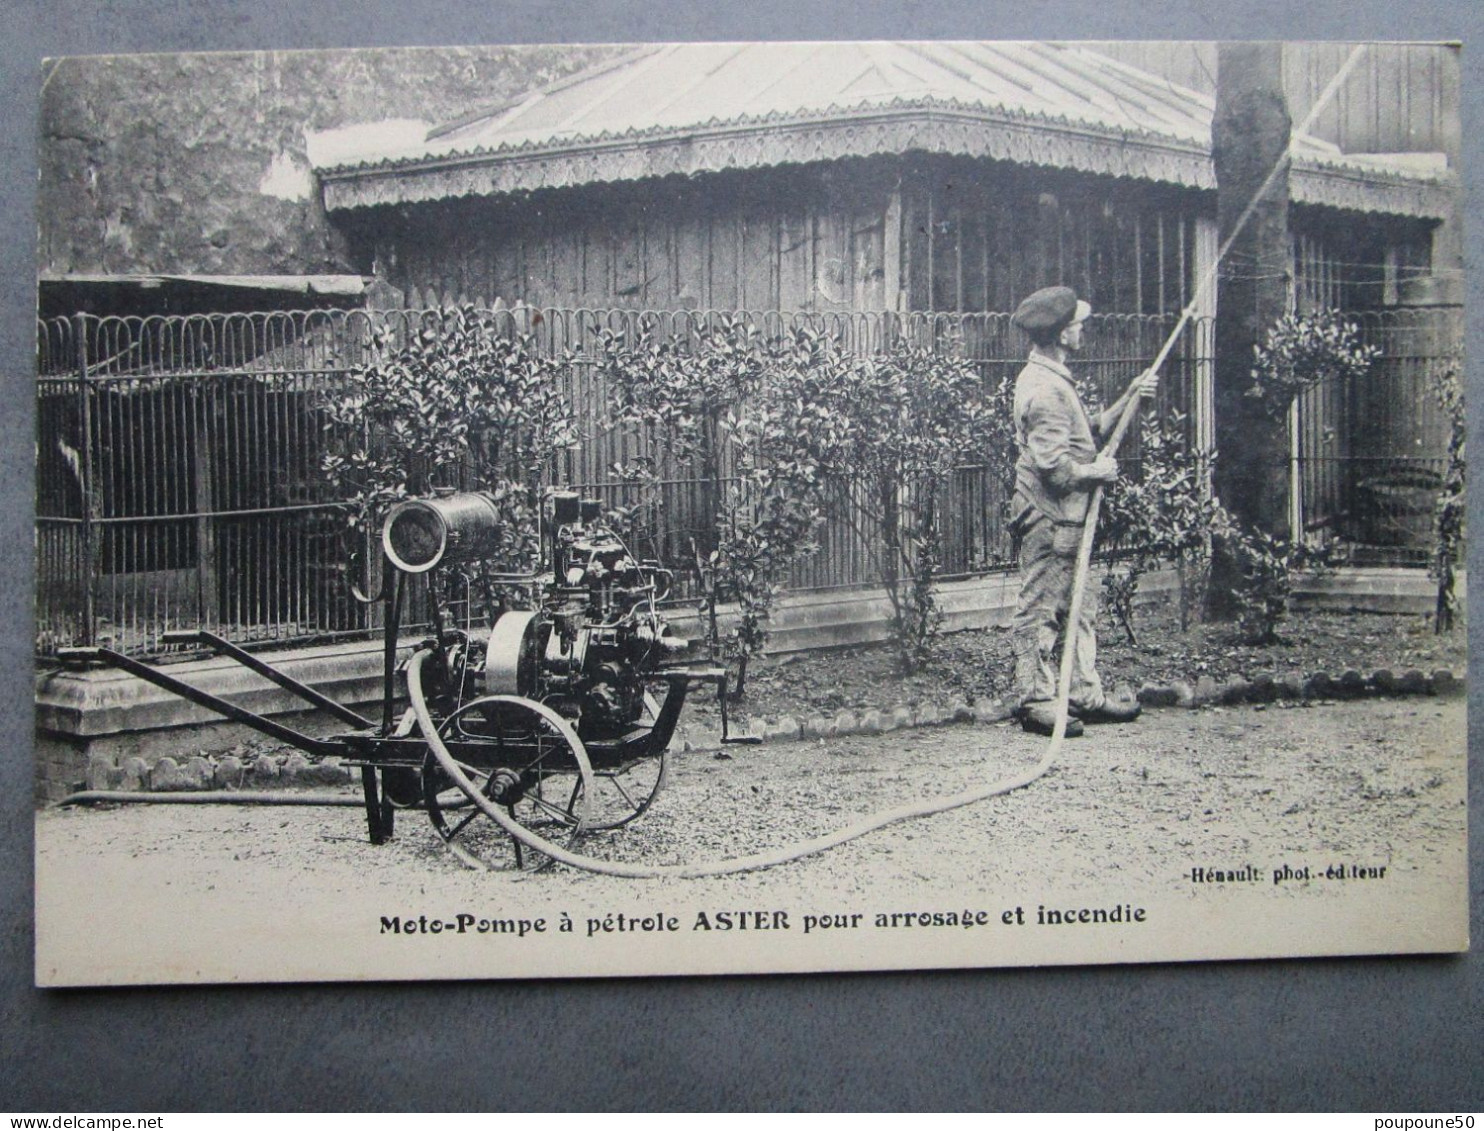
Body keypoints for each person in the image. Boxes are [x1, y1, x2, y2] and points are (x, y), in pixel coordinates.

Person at [1008, 286, 1159, 737]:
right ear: (1059, 332)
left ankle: (1081, 694)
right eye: (1075, 323)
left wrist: (1130, 396)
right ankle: (1035, 701)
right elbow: (1055, 468)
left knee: (1081, 604)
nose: (1081, 329)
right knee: (1040, 609)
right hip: (1049, 516)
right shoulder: (1044, 389)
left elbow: (1086, 433)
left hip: (1070, 514)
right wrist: (1098, 473)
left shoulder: (1055, 378)